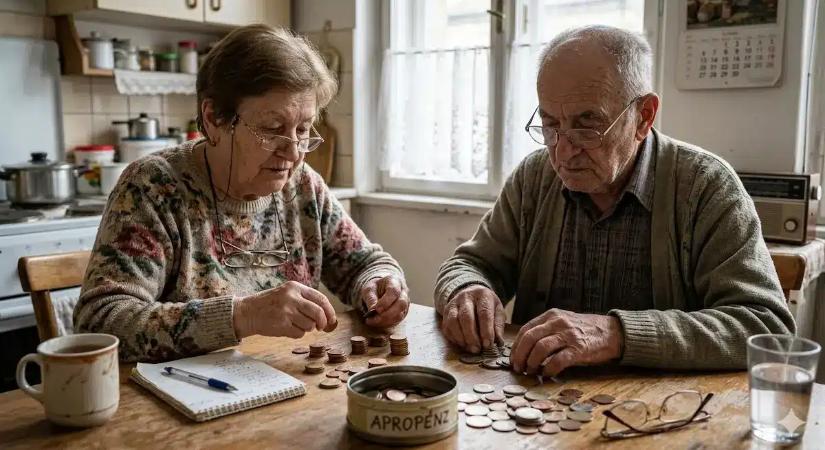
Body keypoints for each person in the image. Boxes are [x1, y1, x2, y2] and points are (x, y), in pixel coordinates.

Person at [434, 25, 794, 376]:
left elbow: (767, 328)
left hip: (661, 416)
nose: (562, 151)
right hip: (537, 408)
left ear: (644, 117)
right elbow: (469, 264)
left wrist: (616, 334)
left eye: (587, 126)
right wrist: (468, 290)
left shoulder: (705, 187)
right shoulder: (535, 176)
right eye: (550, 124)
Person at [76, 25, 409, 362]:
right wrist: (243, 315)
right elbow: (99, 324)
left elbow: (365, 264)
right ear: (214, 120)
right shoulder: (152, 188)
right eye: (272, 128)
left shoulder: (302, 185)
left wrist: (381, 282)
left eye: (304, 129)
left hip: (280, 386)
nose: (293, 152)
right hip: (180, 401)